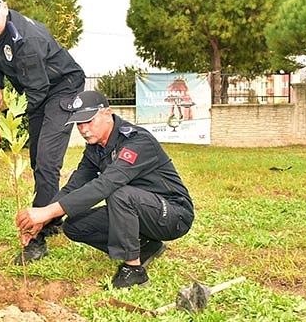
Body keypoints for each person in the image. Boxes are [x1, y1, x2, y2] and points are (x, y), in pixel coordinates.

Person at [15, 90, 195, 288]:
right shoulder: (96, 148)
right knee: (74, 226)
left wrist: (48, 212)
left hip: (173, 214)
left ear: (108, 114)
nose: (83, 129)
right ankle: (146, 247)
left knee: (118, 193)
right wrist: (45, 220)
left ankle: (134, 270)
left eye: (88, 121)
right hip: (139, 210)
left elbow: (105, 185)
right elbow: (74, 186)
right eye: (79, 123)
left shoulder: (137, 141)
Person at [0, 0, 86, 265]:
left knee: (46, 160)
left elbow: (36, 93)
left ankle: (38, 237)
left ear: (4, 8)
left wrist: (1, 127)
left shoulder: (28, 41)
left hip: (62, 88)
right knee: (37, 159)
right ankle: (53, 216)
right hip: (36, 90)